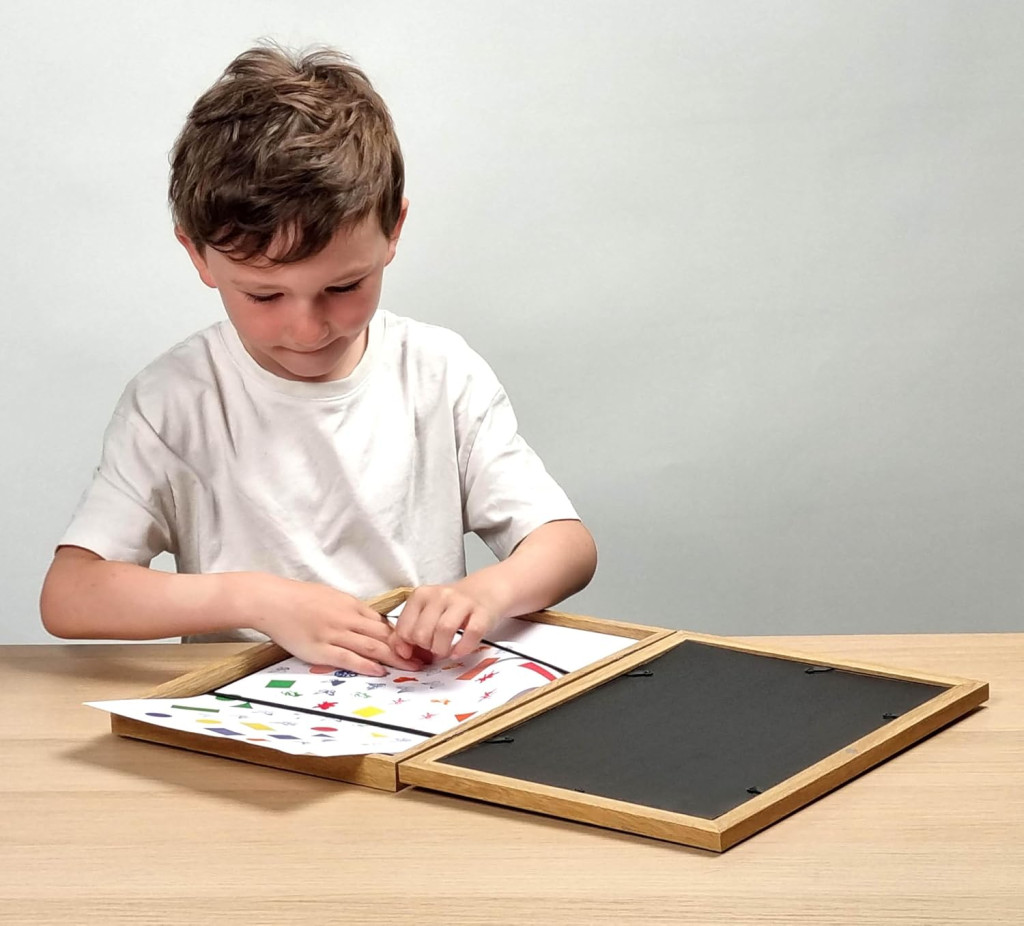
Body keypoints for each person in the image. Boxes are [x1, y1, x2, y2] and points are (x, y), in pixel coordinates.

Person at [39, 44, 597, 675]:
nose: (307, 329)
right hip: (246, 720)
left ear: (393, 231)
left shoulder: (440, 372)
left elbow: (566, 544)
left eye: (343, 286)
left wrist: (487, 594)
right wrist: (256, 599)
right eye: (264, 295)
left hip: (414, 704)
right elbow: (71, 595)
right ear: (198, 256)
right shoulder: (173, 401)